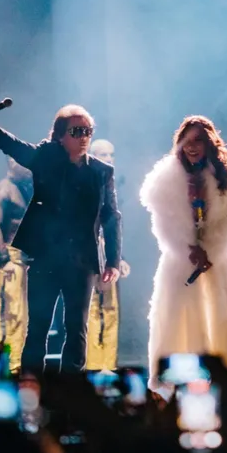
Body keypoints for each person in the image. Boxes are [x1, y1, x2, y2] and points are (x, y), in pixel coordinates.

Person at [0, 100, 121, 372]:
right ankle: (32, 387)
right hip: (46, 258)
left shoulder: (102, 172)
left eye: (88, 130)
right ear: (60, 136)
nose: (84, 137)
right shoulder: (46, 158)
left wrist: (112, 259)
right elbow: (15, 147)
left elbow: (111, 215)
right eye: (77, 131)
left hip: (82, 260)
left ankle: (70, 390)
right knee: (38, 326)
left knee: (77, 327)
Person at [141, 116, 227, 394]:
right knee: (177, 318)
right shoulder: (166, 179)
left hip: (224, 259)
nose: (192, 147)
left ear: (210, 143)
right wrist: (187, 249)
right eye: (187, 141)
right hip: (180, 259)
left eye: (198, 141)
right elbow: (164, 220)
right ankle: (171, 383)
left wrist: (210, 251)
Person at [87, 138, 130, 371]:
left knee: (110, 307)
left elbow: (116, 225)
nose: (109, 159)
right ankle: (93, 362)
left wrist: (119, 257)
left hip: (108, 252)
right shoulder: (84, 183)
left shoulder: (111, 186)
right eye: (104, 155)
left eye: (111, 155)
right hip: (88, 251)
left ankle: (108, 363)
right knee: (92, 306)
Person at [0, 156, 33, 372]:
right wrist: (3, 256)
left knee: (20, 313)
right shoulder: (2, 190)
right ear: (9, 163)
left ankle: (16, 361)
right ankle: (8, 365)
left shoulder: (26, 188)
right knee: (9, 313)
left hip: (25, 257)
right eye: (17, 161)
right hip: (11, 258)